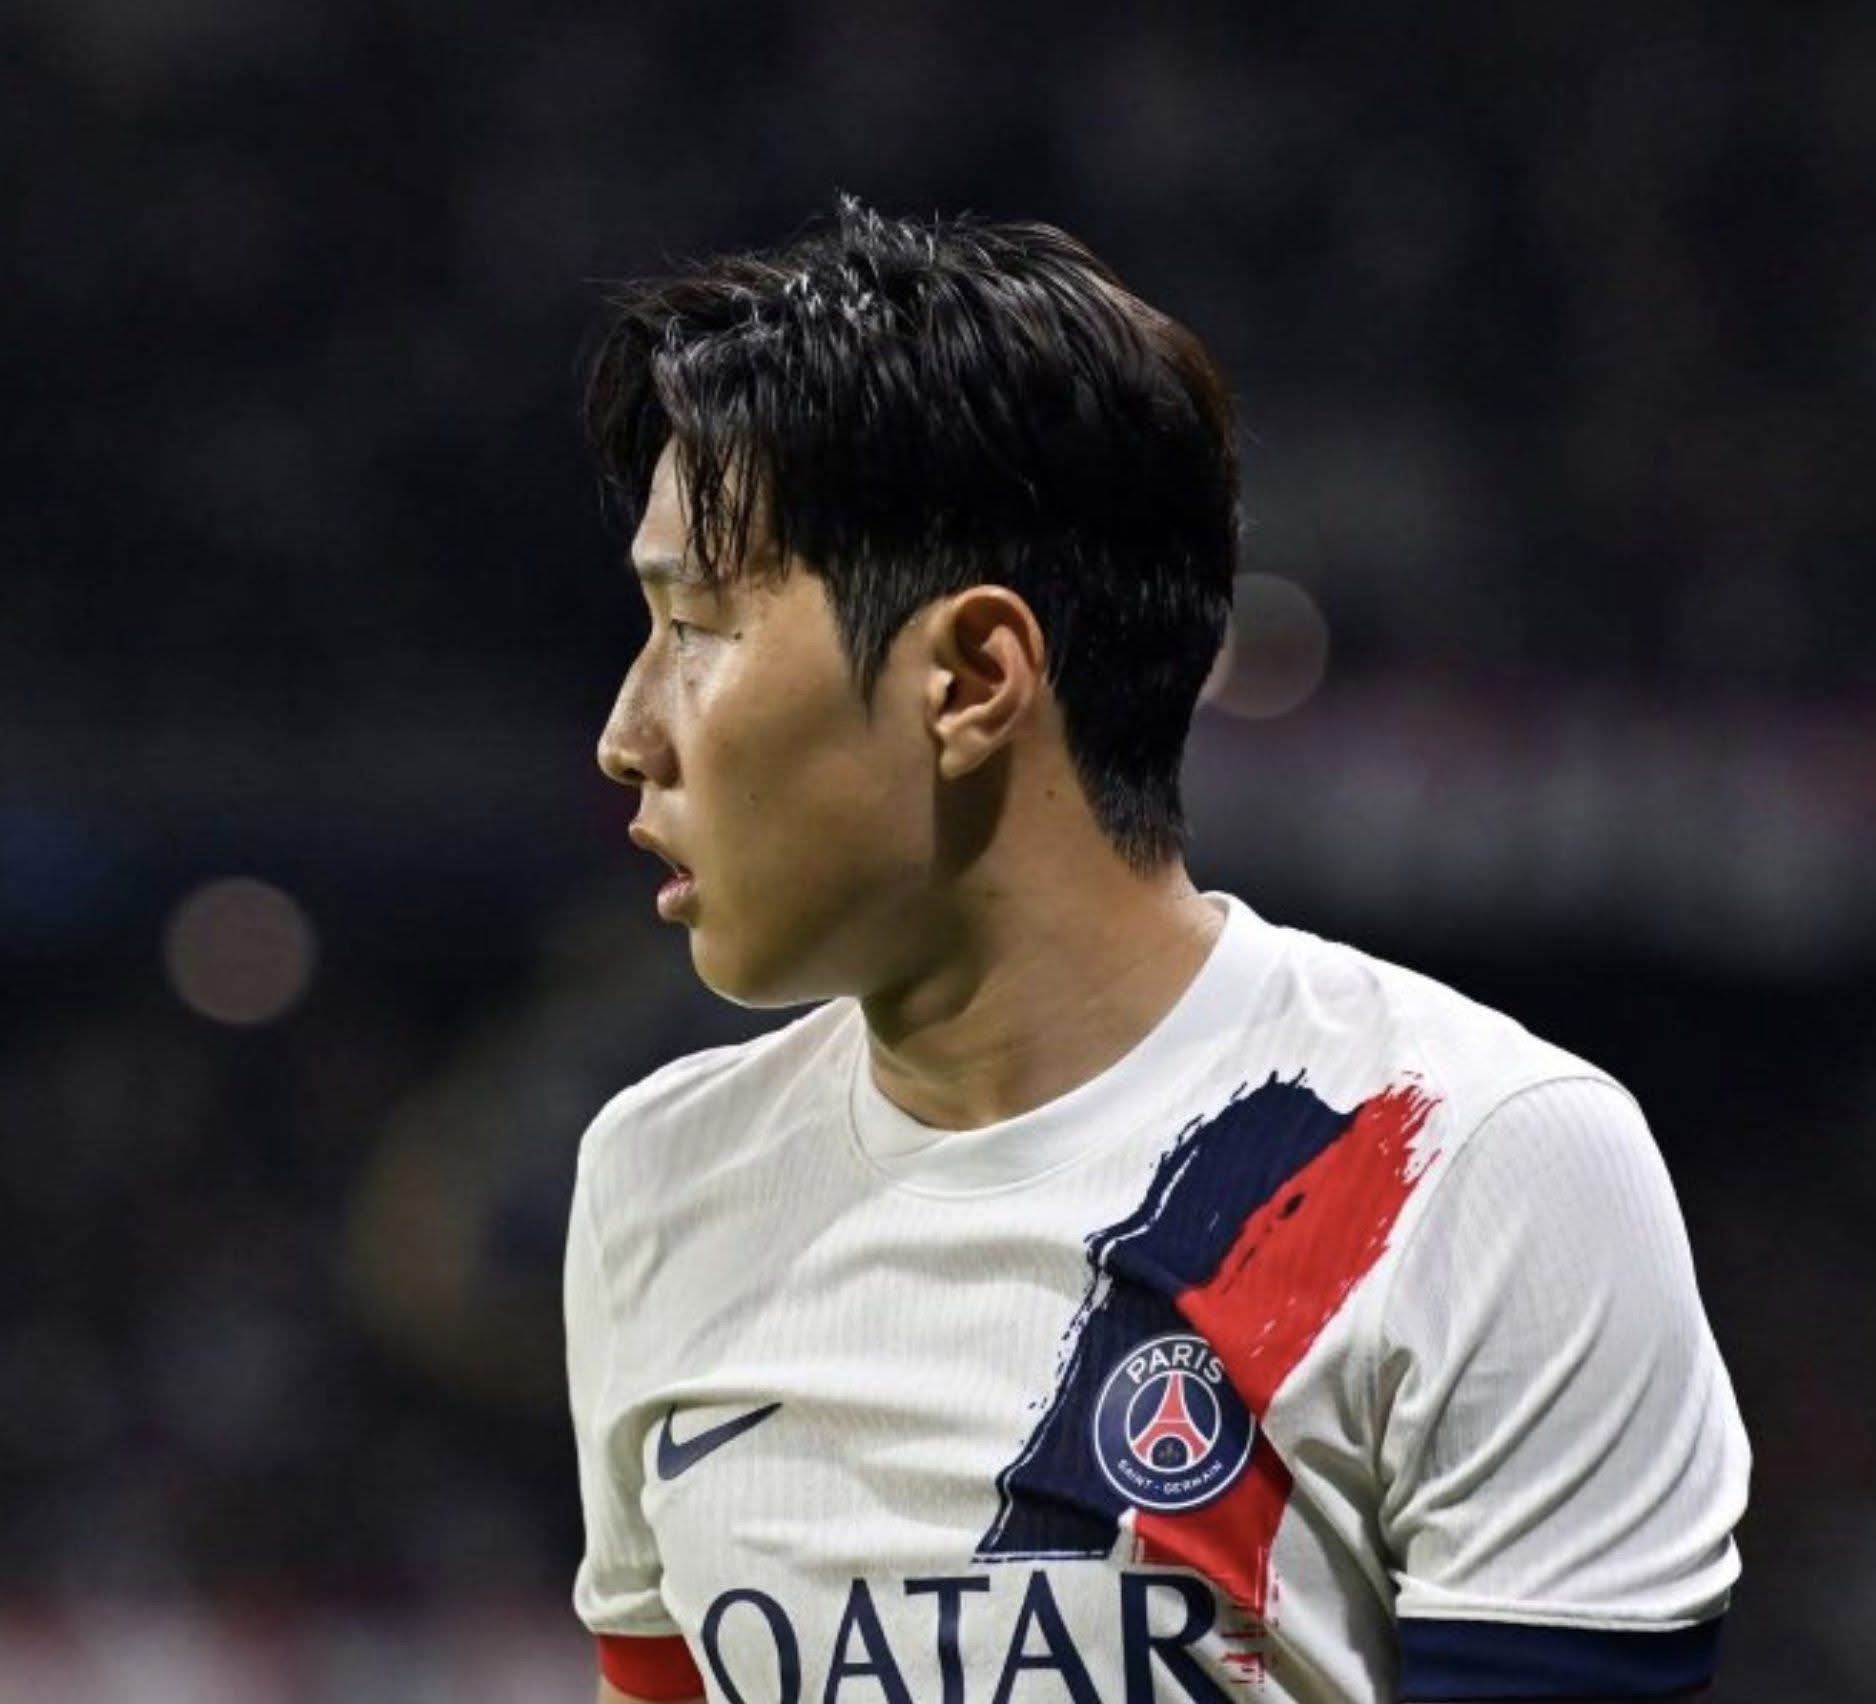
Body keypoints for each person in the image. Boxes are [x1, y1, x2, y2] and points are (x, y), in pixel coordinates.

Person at [564, 196, 1749, 1704]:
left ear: (973, 678)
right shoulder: (659, 1179)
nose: (627, 734)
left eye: (697, 626)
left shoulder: (1485, 1163)